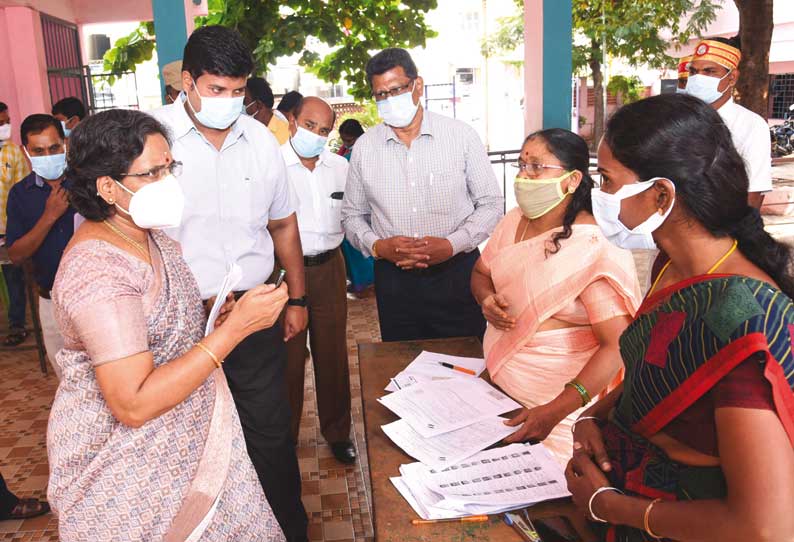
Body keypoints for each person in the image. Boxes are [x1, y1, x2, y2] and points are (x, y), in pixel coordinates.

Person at [48, 108, 287, 541]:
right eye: (152, 173)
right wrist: (232, 334)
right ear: (107, 187)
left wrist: (217, 315)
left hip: (185, 445)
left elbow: (162, 329)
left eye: (169, 167)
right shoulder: (97, 271)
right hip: (129, 474)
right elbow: (133, 403)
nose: (169, 182)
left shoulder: (148, 237)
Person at [565, 93, 794, 542]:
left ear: (661, 194)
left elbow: (767, 527)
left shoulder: (739, 320)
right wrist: (594, 415)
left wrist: (608, 505)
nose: (599, 195)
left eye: (607, 180)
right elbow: (655, 371)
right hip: (634, 492)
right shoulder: (673, 266)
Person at [150, 25, 308, 541]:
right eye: (217, 90)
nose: (229, 102)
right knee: (185, 442)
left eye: (239, 91)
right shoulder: (150, 141)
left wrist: (298, 299)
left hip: (252, 313)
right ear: (188, 83)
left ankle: (287, 531)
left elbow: (283, 224)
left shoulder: (261, 141)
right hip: (178, 319)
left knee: (268, 434)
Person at [470, 128, 641, 464]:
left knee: (553, 505)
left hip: (556, 416)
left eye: (536, 167)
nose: (523, 175)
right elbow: (480, 274)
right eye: (521, 165)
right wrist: (486, 299)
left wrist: (553, 412)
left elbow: (616, 345)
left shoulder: (591, 246)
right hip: (497, 394)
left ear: (573, 179)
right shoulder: (512, 221)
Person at [342, 48, 503, 342]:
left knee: (465, 364)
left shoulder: (461, 136)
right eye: (380, 94)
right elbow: (352, 215)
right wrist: (378, 246)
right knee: (403, 368)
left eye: (396, 90)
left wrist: (452, 245)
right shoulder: (365, 148)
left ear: (417, 86)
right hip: (394, 281)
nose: (389, 100)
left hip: (457, 274)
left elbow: (491, 205)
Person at [281, 96, 355, 464]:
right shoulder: (272, 166)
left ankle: (339, 433)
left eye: (324, 130)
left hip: (329, 268)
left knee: (332, 355)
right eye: (309, 125)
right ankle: (285, 438)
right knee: (289, 360)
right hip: (283, 275)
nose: (316, 135)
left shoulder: (339, 167)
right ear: (292, 120)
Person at [6, 114, 74, 377]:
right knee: (66, 378)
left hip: (94, 296)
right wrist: (49, 216)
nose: (48, 155)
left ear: (64, 144)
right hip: (50, 299)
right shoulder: (20, 195)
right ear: (26, 152)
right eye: (39, 151)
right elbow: (16, 255)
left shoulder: (87, 184)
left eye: (54, 148)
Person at [686, 37, 771, 208]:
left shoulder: (751, 125)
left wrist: (738, 234)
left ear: (732, 78)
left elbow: (753, 192)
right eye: (694, 72)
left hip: (723, 226)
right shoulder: (679, 118)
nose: (698, 78)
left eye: (709, 71)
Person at [0, 101, 31, 347]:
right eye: (0, 123)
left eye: (6, 121)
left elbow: (22, 191)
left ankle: (17, 325)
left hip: (6, 229)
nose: (5, 126)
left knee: (13, 279)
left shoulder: (12, 153)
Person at [336, 118, 374, 297]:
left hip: (365, 205)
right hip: (351, 205)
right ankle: (359, 282)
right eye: (344, 141)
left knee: (361, 246)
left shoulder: (366, 151)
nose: (346, 144)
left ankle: (367, 282)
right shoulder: (346, 153)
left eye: (350, 141)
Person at [246, 76, 290, 145]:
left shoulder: (286, 134)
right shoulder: (248, 129)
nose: (242, 106)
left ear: (259, 104)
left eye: (244, 102)